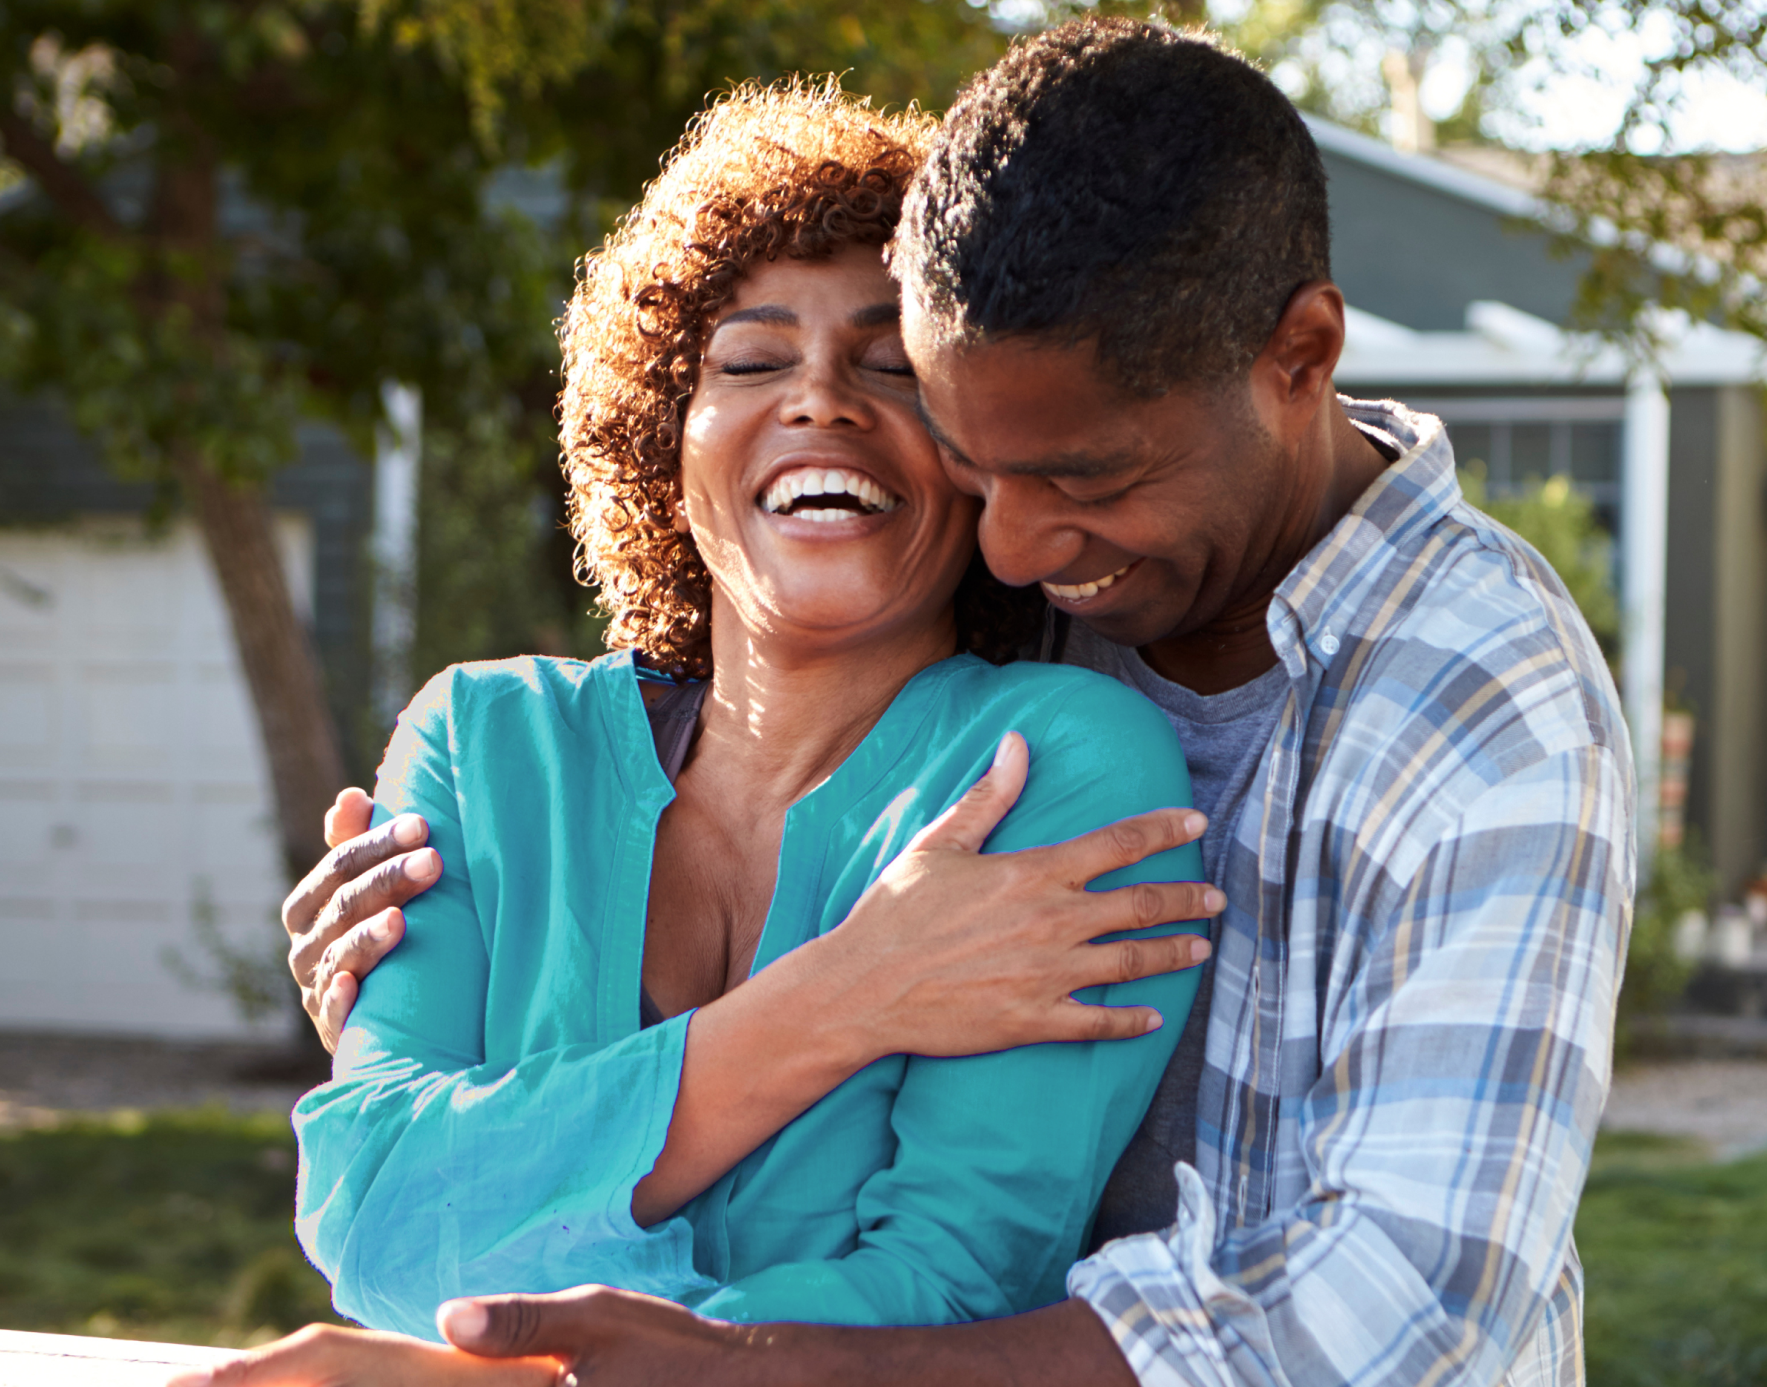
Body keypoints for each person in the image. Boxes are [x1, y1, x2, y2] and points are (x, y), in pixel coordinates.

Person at [194, 15, 1629, 1387]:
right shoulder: (515, 737)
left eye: (1078, 476)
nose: (1017, 542)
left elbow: (1402, 1302)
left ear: (1300, 360)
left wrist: (557, 1350)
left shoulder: (1471, 705)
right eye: (985, 459)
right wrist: (848, 995)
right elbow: (377, 1205)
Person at [284, 80, 1216, 1357]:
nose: (822, 399)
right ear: (662, 440)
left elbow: (952, 1301)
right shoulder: (482, 743)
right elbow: (373, 1216)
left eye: (896, 367)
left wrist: (517, 1339)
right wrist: (851, 993)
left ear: (979, 451)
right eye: (751, 358)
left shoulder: (1060, 768)